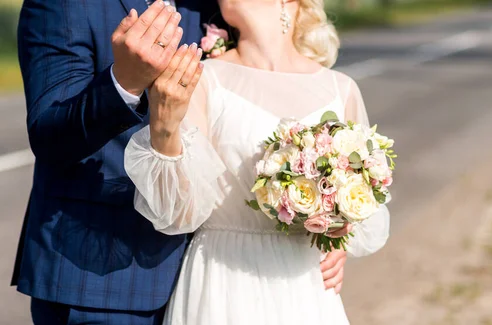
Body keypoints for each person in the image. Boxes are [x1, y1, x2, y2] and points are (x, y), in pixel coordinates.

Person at [12, 0, 348, 323]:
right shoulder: (65, 4)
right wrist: (123, 83)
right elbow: (48, 134)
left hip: (212, 277)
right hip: (100, 278)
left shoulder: (209, 6)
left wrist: (326, 222)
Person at [123, 0, 391, 323]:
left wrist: (338, 232)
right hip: (222, 285)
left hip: (305, 293)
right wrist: (164, 130)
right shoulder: (204, 79)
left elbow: (365, 205)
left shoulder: (341, 91)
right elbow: (179, 212)